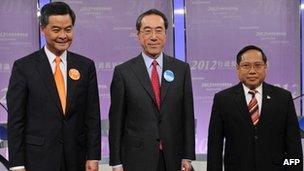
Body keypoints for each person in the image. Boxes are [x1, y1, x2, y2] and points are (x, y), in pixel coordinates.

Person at [6, 2, 101, 171]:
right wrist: (17, 164)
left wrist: (93, 156)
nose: (63, 35)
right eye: (56, 30)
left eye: (68, 29)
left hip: (76, 158)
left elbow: (92, 116)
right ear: (43, 29)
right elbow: (16, 121)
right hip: (37, 159)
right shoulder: (24, 67)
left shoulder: (85, 66)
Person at [108, 9, 196, 171]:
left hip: (173, 157)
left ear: (165, 35)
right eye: (147, 31)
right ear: (138, 36)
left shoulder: (181, 69)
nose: (153, 37)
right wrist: (116, 161)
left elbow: (187, 116)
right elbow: (116, 121)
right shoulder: (123, 72)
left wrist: (188, 155)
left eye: (159, 30)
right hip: (136, 158)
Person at [207, 45, 303, 171]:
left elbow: (294, 145)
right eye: (246, 66)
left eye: (258, 65)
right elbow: (215, 146)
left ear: (265, 68)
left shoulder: (283, 98)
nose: (252, 71)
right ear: (237, 69)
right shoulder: (223, 99)